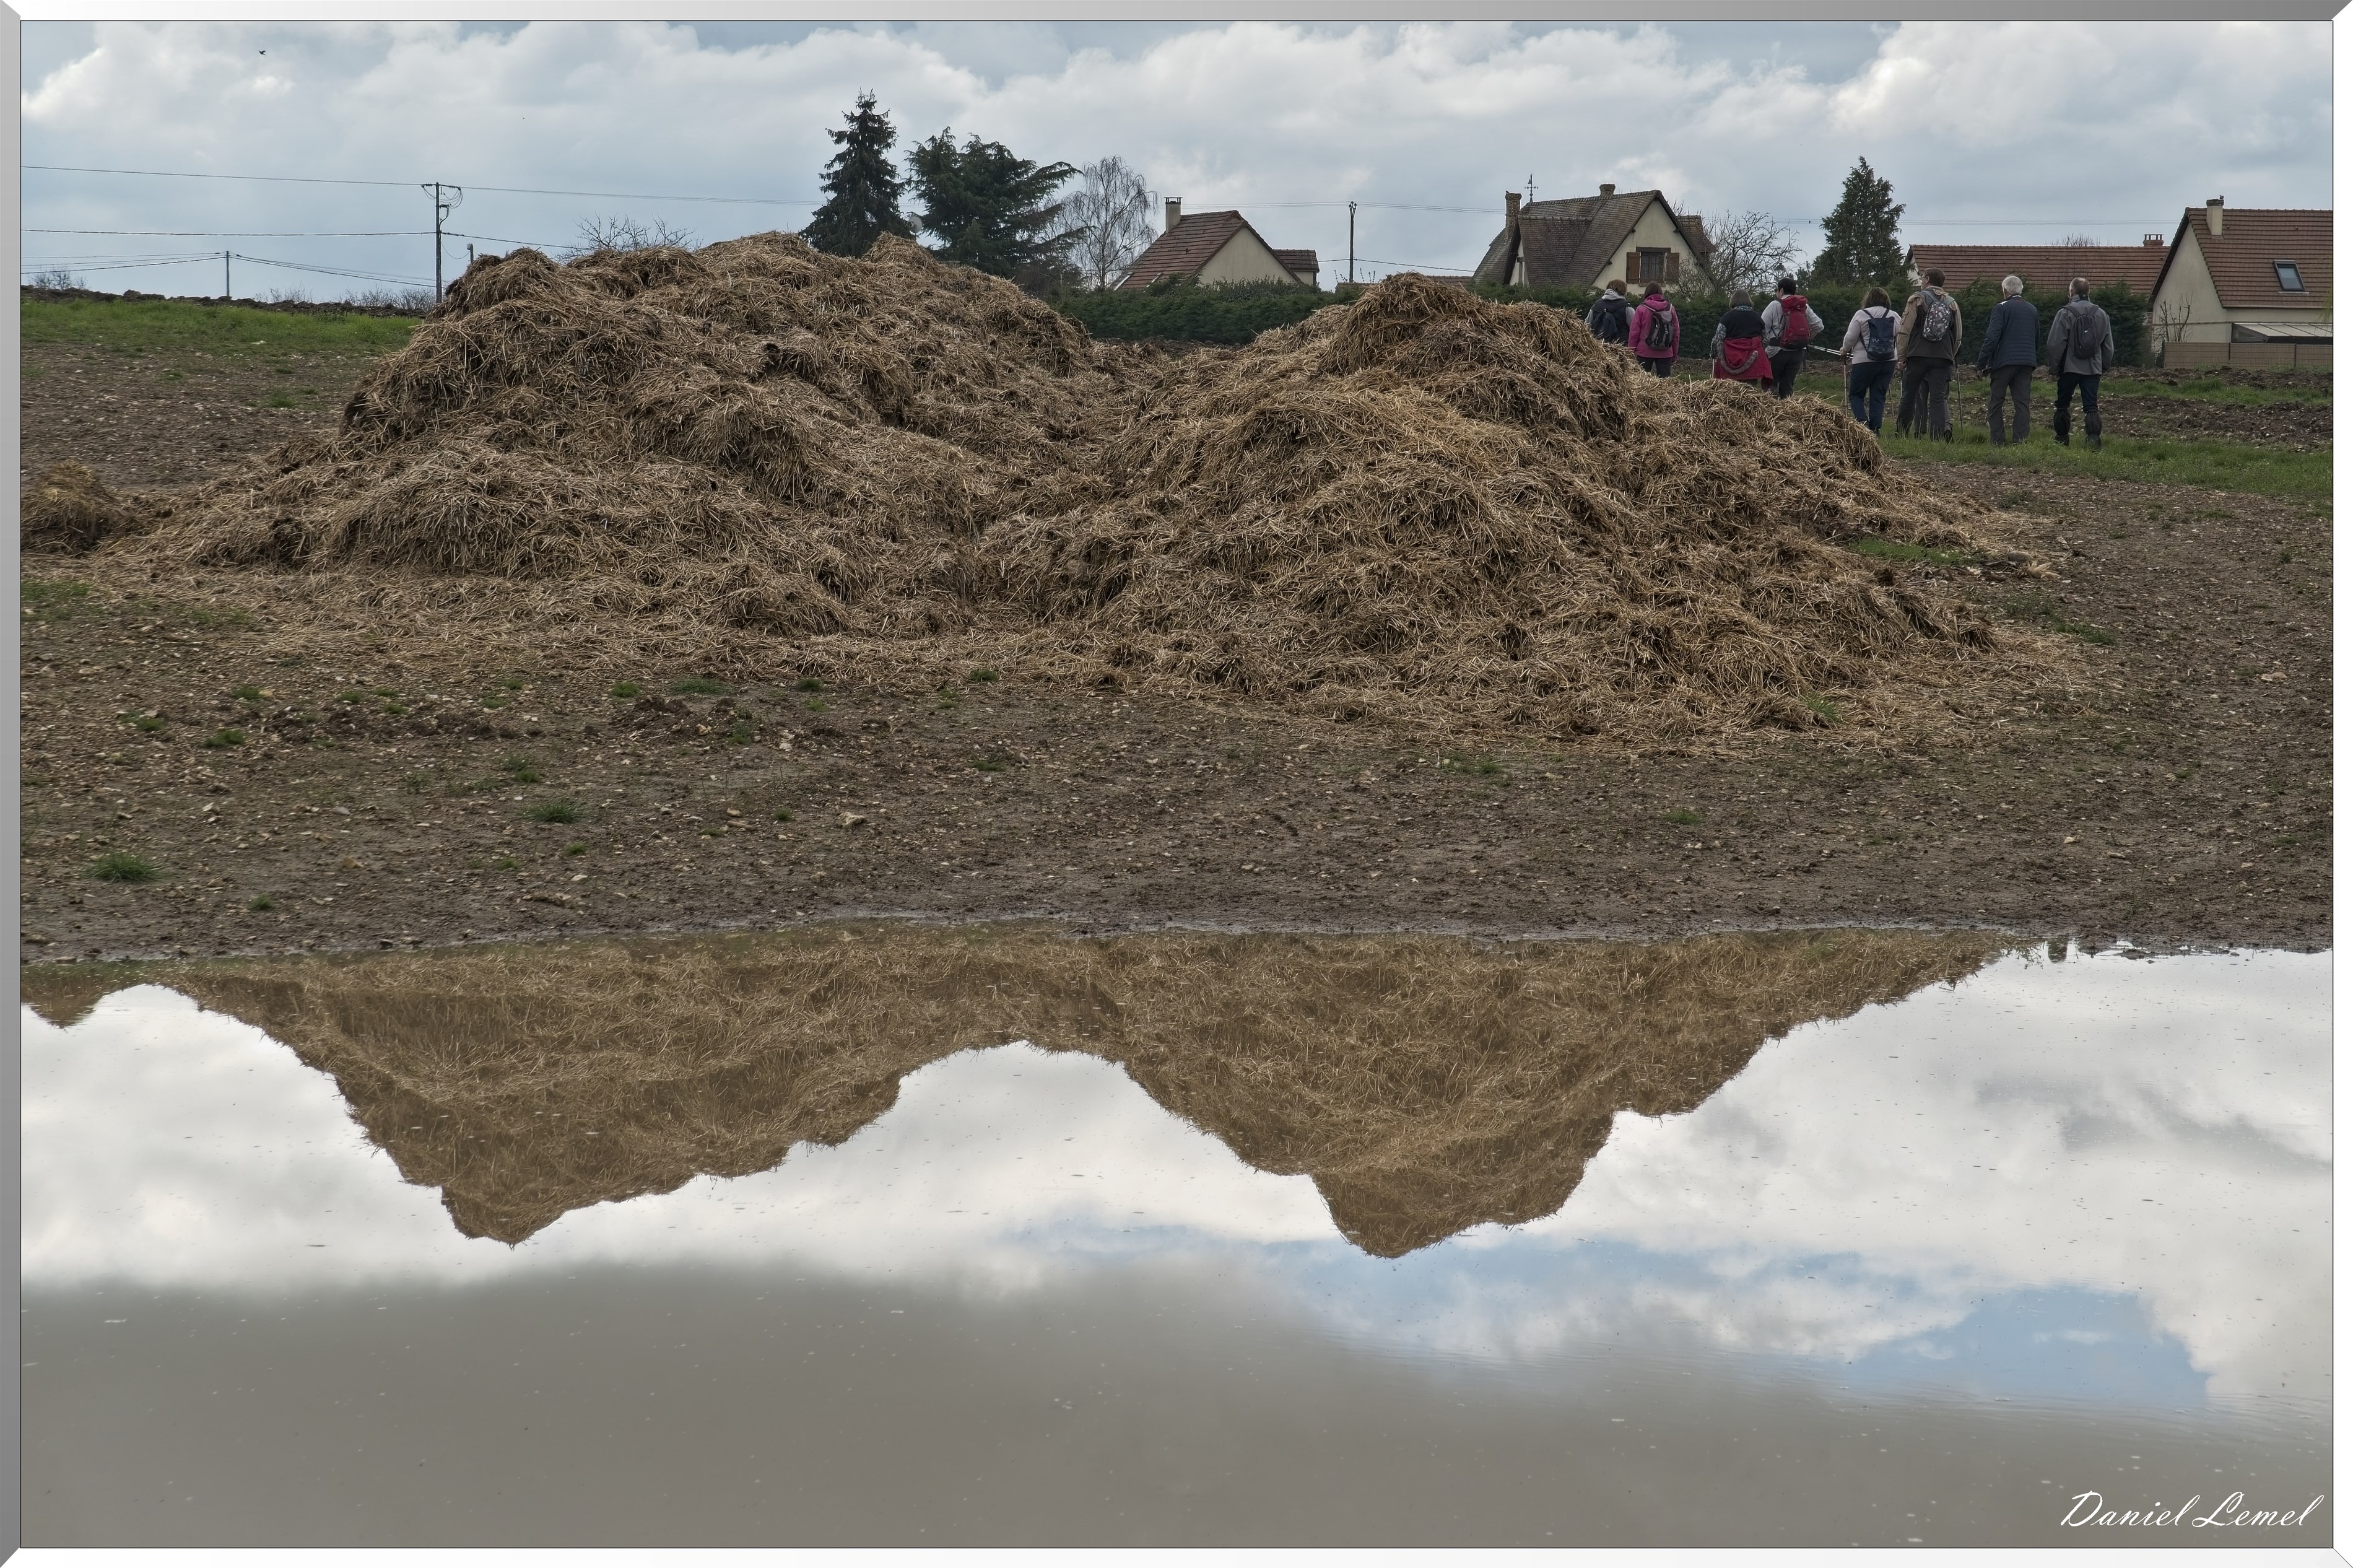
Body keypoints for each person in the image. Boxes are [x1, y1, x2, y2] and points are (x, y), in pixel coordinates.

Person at [2046, 276, 2115, 450]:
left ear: (2071, 292)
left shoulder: (2065, 313)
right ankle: (2093, 441)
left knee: (2062, 404)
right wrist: (2104, 366)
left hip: (2068, 368)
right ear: (2089, 292)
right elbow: (2108, 346)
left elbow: (2055, 344)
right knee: (2091, 405)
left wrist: (2054, 369)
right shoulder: (2101, 314)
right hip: (2092, 368)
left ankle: (2061, 440)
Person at [1894, 267, 1963, 439]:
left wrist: (1901, 357)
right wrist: (1950, 354)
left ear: (1928, 280)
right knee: (1938, 397)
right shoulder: (1952, 303)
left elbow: (1905, 330)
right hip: (1943, 357)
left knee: (1909, 394)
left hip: (1918, 355)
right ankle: (1937, 437)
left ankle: (1901, 434)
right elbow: (1958, 335)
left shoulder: (1917, 299)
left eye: (1923, 278)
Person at [1974, 274, 2039, 446]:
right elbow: (2036, 338)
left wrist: (1982, 363)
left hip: (2004, 363)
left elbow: (1992, 337)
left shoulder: (2001, 308)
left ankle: (1998, 440)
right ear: (2020, 290)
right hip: (2026, 362)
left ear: (2005, 290)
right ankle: (2021, 440)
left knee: (1996, 402)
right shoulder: (2032, 309)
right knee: (2022, 403)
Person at [1839, 285, 1900, 432]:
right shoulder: (1894, 316)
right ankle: (1876, 428)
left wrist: (1844, 350)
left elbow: (1850, 338)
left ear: (1868, 300)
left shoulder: (1861, 315)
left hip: (1864, 361)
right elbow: (1901, 336)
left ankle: (1862, 422)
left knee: (1856, 394)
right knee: (1879, 395)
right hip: (1888, 361)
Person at [1759, 276, 1824, 400]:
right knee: (1788, 386)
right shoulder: (1803, 306)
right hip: (1798, 352)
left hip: (1776, 351)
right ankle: (1787, 414)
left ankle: (1772, 413)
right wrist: (1807, 338)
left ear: (1781, 291)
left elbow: (1762, 328)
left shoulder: (1774, 305)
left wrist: (1764, 348)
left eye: (1777, 291)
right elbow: (1819, 326)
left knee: (1771, 384)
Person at [1708, 290, 1774, 386]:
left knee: (1730, 393)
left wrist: (1713, 354)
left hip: (1729, 362)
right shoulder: (1757, 318)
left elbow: (1718, 339)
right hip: (1752, 364)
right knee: (1749, 392)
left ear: (1733, 301)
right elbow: (1766, 339)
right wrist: (1757, 349)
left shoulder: (1727, 318)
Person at [1628, 282, 1678, 378]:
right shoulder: (1671, 309)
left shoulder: (1641, 309)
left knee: (1641, 383)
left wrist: (1631, 351)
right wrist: (1674, 354)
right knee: (1665, 385)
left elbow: (1634, 333)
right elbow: (1676, 333)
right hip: (1666, 352)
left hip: (1644, 351)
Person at [1585, 279, 1631, 346]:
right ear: (1624, 291)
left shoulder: (1596, 306)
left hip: (1599, 348)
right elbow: (1635, 328)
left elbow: (1586, 326)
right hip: (1621, 349)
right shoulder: (1627, 307)